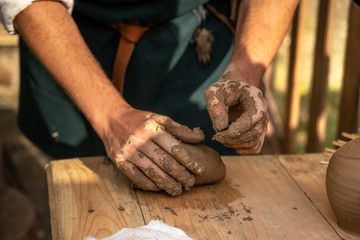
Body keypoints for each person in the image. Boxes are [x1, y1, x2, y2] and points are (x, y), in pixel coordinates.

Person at [0, 0, 299, 195]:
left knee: (205, 167)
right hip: (72, 37)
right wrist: (110, 116)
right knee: (82, 187)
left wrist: (246, 72)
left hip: (195, 40)